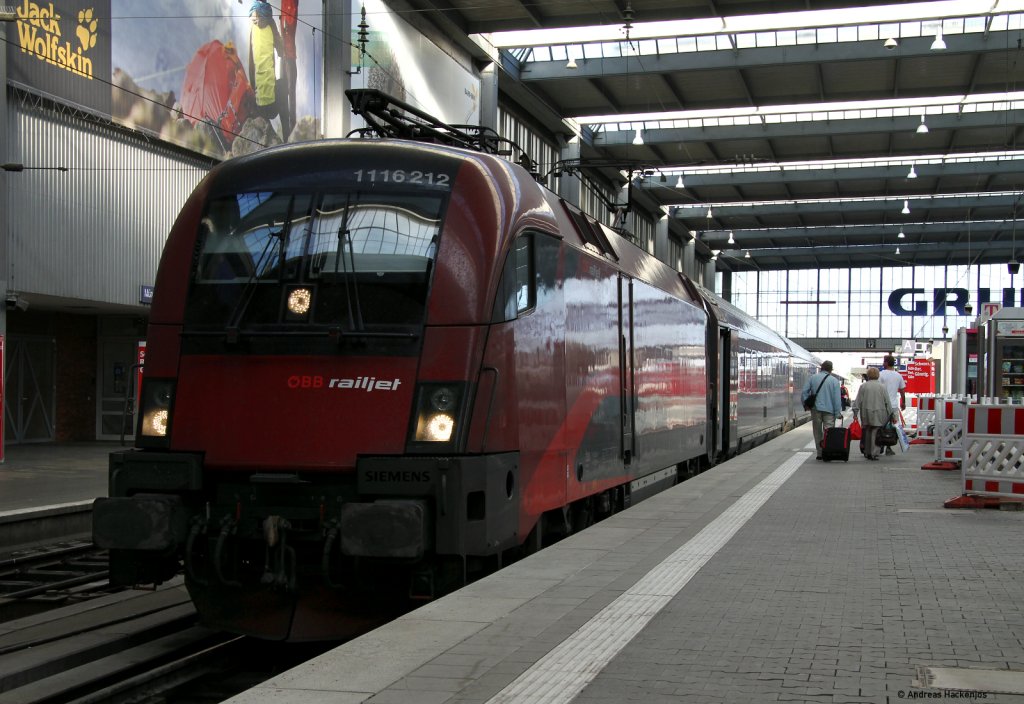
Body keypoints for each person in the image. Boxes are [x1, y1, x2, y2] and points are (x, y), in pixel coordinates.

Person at [248, 0, 284, 137]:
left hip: (258, 88)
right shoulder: (270, 21)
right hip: (271, 95)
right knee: (277, 86)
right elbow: (279, 45)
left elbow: (250, 52)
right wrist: (282, 52)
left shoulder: (252, 23)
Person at [853, 366, 897, 460]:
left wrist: (855, 413)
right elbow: (887, 402)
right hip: (879, 412)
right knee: (876, 431)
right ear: (878, 375)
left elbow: (858, 400)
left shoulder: (863, 386)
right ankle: (874, 452)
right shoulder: (882, 386)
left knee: (867, 430)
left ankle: (867, 451)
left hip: (866, 412)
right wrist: (891, 414)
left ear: (868, 375)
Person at [802, 360, 843, 461]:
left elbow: (804, 392)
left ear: (821, 368)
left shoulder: (813, 378)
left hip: (816, 409)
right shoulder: (834, 381)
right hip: (829, 410)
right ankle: (827, 452)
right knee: (828, 432)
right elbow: (837, 399)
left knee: (817, 431)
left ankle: (819, 453)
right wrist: (837, 413)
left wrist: (806, 404)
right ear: (830, 370)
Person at [878, 354, 906, 456]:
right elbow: (902, 391)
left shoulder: (880, 374)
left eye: (884, 361)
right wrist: (903, 402)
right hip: (894, 406)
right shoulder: (898, 375)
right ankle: (889, 447)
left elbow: (877, 389)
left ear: (886, 363)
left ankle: (881, 444)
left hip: (882, 405)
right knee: (893, 427)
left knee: (881, 426)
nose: (883, 363)